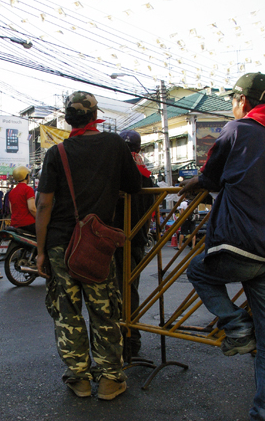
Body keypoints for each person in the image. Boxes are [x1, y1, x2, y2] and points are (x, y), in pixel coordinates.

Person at [180, 72, 265, 421]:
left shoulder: (237, 129)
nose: (231, 105)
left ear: (244, 101)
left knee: (198, 271)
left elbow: (210, 177)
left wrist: (192, 183)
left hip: (240, 246)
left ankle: (236, 325)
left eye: (233, 99)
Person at [36, 91, 141, 401]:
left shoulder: (57, 153)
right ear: (96, 116)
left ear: (68, 118)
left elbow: (43, 204)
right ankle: (110, 379)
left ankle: (79, 378)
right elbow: (134, 186)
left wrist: (41, 251)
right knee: (103, 309)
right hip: (95, 243)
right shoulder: (114, 145)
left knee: (67, 313)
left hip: (59, 244)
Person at [113, 129, 154, 358]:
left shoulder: (119, 174)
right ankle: (130, 341)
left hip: (120, 240)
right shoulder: (146, 175)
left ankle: (127, 343)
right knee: (130, 291)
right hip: (137, 240)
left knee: (121, 293)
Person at [8, 166, 36, 234]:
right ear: (26, 176)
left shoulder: (12, 192)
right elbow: (32, 208)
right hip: (28, 223)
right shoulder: (28, 189)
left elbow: (11, 210)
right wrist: (40, 218)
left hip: (14, 224)